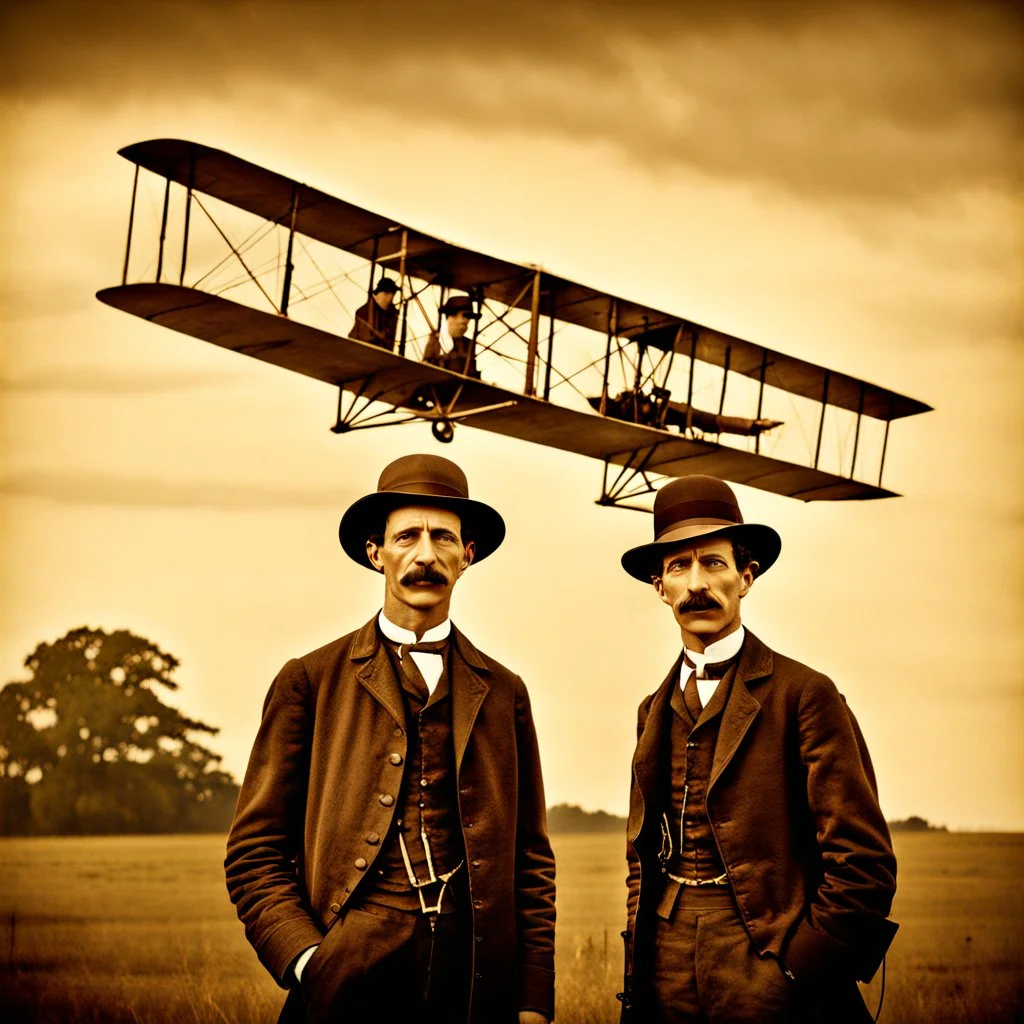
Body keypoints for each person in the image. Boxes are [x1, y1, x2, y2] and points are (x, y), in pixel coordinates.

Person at [225, 454, 555, 1024]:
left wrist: (532, 1000)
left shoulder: (506, 692)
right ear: (376, 553)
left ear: (466, 555)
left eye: (443, 538)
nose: (425, 554)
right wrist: (308, 960)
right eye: (407, 536)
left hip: (473, 983)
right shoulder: (309, 679)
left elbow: (531, 860)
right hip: (345, 975)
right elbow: (254, 850)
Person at [617, 474, 897, 1024]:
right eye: (679, 567)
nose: (697, 583)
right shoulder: (651, 710)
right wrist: (642, 962)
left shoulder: (805, 694)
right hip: (665, 967)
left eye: (714, 564)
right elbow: (639, 858)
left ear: (746, 578)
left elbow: (863, 864)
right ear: (659, 587)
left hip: (771, 961)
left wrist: (799, 968)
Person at [423, 294, 480, 377]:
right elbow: (425, 369)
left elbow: (471, 375)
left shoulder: (469, 344)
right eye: (464, 316)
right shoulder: (436, 339)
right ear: (450, 317)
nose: (467, 321)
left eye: (469, 317)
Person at [349, 277, 399, 349]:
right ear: (384, 293)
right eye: (390, 294)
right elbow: (365, 339)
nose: (391, 298)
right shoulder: (364, 311)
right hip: (362, 349)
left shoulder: (392, 314)